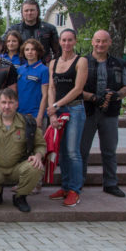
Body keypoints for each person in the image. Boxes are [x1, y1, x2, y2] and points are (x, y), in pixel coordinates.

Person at [0, 88, 46, 212]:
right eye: (4, 102)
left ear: (17, 104)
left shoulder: (28, 123)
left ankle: (20, 196)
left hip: (18, 167)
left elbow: (40, 144)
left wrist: (38, 156)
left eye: (11, 102)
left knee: (35, 167)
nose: (7, 106)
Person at [80, 30, 126, 198]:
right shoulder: (82, 62)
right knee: (82, 150)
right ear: (92, 42)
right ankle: (78, 183)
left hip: (110, 113)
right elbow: (75, 89)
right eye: (97, 41)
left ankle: (110, 183)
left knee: (109, 150)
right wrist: (92, 97)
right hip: (87, 112)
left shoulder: (119, 63)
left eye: (103, 41)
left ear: (109, 42)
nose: (100, 44)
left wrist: (117, 94)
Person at [47, 29, 88, 207]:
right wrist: (52, 111)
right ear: (59, 42)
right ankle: (65, 187)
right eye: (63, 40)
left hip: (74, 109)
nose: (66, 43)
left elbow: (78, 89)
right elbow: (51, 88)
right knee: (62, 151)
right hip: (58, 110)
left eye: (70, 40)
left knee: (72, 151)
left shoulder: (81, 61)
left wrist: (56, 105)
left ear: (75, 41)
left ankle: (74, 190)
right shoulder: (53, 62)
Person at [6, 0, 60, 64]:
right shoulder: (14, 29)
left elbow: (58, 51)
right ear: (22, 13)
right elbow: (1, 45)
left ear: (37, 11)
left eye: (32, 10)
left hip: (44, 65)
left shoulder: (49, 29)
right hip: (21, 66)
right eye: (26, 10)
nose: (29, 13)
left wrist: (53, 65)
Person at [17, 38, 49, 128]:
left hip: (35, 115)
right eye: (27, 49)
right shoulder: (20, 69)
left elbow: (45, 95)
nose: (29, 52)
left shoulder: (44, 70)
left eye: (33, 49)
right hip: (19, 114)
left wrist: (40, 116)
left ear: (38, 51)